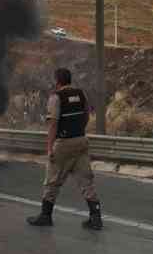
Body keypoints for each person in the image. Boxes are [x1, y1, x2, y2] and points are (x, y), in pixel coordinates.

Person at [26, 68, 103, 230]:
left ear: (57, 81)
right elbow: (87, 115)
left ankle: (45, 216)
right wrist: (79, 130)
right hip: (81, 141)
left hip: (64, 143)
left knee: (52, 180)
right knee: (85, 180)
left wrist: (49, 148)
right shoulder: (81, 94)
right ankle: (96, 218)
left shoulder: (56, 97)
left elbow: (53, 123)